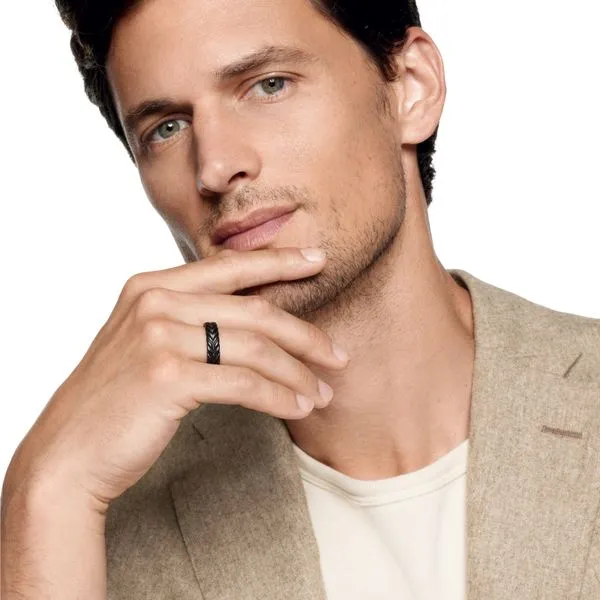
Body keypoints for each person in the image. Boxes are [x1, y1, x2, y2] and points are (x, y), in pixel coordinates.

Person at [2, 0, 599, 598]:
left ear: (411, 88)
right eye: (167, 128)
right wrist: (45, 489)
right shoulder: (89, 522)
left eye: (269, 85)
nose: (216, 166)